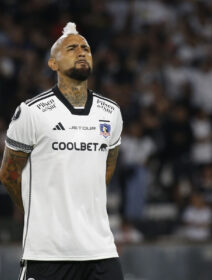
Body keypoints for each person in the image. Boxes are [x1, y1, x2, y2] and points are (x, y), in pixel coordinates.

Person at [0, 22, 124, 280]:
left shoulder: (111, 112)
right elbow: (9, 175)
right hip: (47, 253)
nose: (81, 52)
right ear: (53, 63)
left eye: (86, 48)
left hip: (100, 251)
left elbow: (106, 170)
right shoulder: (31, 112)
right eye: (71, 48)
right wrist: (41, 212)